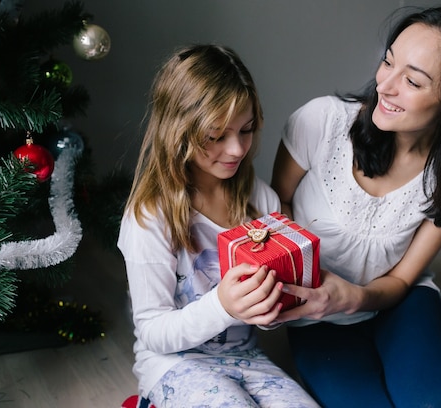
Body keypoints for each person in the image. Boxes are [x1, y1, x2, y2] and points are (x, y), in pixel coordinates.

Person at [270, 6, 441, 408]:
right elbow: (274, 207)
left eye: (412, 81)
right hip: (318, 313)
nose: (384, 86)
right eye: (388, 62)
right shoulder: (322, 121)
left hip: (395, 301)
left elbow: (402, 281)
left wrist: (355, 297)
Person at [118, 44, 319, 408]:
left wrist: (273, 307)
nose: (237, 149)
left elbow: (268, 316)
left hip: (249, 360)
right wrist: (223, 307)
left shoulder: (262, 202)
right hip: (173, 363)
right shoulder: (150, 216)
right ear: (178, 131)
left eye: (247, 130)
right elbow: (151, 332)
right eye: (216, 135)